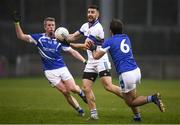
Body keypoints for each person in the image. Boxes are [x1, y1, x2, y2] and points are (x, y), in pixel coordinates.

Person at [12, 11, 87, 116]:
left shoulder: (60, 39)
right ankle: (79, 110)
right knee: (65, 92)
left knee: (72, 88)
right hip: (49, 72)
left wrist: (84, 61)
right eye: (49, 25)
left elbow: (72, 51)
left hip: (62, 68)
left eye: (53, 25)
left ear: (55, 26)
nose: (51, 27)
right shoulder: (39, 38)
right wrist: (16, 23)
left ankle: (81, 93)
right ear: (45, 27)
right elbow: (21, 36)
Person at [89, 18, 165, 121]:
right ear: (121, 30)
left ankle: (153, 98)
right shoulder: (126, 37)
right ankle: (137, 117)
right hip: (136, 70)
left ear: (110, 31)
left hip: (126, 74)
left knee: (130, 102)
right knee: (133, 96)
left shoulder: (109, 41)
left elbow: (96, 56)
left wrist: (93, 48)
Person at [64, 5, 128, 120]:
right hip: (91, 62)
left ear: (97, 14)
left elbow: (85, 46)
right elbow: (73, 36)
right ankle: (94, 115)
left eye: (92, 12)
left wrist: (71, 45)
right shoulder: (85, 26)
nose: (90, 14)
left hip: (100, 60)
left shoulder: (97, 28)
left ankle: (130, 98)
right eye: (88, 12)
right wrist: (62, 37)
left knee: (108, 86)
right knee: (86, 87)